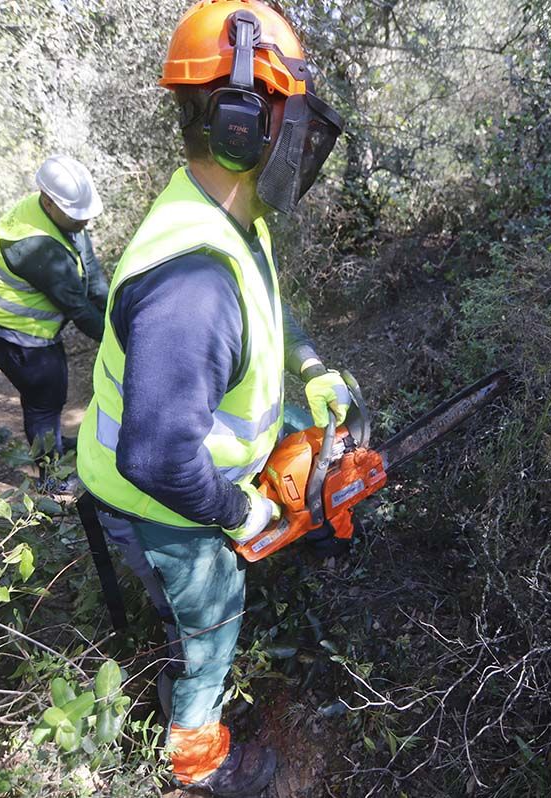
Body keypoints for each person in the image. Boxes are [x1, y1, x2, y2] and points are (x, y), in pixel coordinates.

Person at [76, 2, 351, 794]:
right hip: (155, 499)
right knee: (213, 616)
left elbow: (263, 299)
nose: (300, 143)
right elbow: (159, 457)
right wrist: (243, 514)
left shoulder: (228, 209)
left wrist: (311, 366)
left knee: (304, 437)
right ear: (242, 121)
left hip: (173, 459)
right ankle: (196, 760)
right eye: (288, 117)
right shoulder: (192, 284)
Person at [0, 155, 108, 480]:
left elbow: (92, 276)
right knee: (45, 395)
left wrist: (120, 310)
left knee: (51, 389)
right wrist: (123, 339)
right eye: (77, 217)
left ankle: (53, 443)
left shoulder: (61, 215)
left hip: (24, 324)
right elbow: (80, 309)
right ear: (48, 202)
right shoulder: (34, 244)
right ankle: (50, 475)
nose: (84, 223)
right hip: (2, 327)